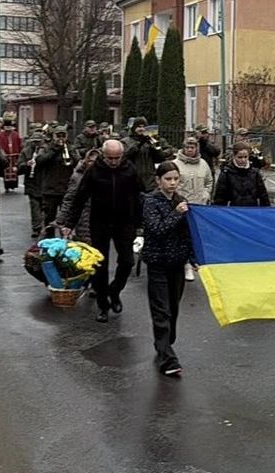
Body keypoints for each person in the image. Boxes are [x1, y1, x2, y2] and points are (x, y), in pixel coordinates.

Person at [56, 139, 143, 323]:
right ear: (104, 155)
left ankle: (115, 291)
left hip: (124, 222)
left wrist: (140, 223)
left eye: (117, 158)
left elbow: (139, 196)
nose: (113, 162)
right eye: (110, 158)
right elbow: (79, 198)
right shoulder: (94, 170)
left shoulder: (129, 169)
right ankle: (103, 304)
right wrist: (69, 224)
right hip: (100, 222)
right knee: (99, 265)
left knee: (127, 261)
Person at [138, 161, 193, 377]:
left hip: (177, 263)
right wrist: (177, 214)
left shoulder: (181, 201)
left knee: (173, 309)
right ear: (159, 181)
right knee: (161, 311)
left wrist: (193, 257)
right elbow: (157, 229)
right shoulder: (151, 201)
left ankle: (165, 343)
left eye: (176, 179)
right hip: (158, 263)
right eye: (168, 179)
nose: (172, 183)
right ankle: (167, 359)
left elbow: (188, 234)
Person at [172, 135, 215, 281]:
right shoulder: (175, 164)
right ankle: (186, 266)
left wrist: (206, 193)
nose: (190, 150)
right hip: (183, 206)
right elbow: (172, 185)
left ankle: (195, 262)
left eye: (193, 147)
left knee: (195, 237)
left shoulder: (203, 164)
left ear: (197, 148)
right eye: (187, 147)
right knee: (183, 237)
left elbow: (209, 181)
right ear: (183, 148)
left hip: (199, 207)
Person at [27, 125, 73, 239]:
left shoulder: (70, 148)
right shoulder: (46, 147)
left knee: (66, 219)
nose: (61, 138)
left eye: (63, 135)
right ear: (53, 136)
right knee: (49, 219)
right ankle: (49, 241)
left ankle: (65, 242)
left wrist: (69, 153)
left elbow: (76, 162)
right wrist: (55, 149)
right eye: (58, 136)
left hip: (66, 189)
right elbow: (40, 160)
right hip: (50, 190)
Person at [123, 118, 173, 190]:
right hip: (133, 179)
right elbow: (125, 155)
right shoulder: (126, 141)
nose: (142, 129)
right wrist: (139, 144)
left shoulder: (152, 140)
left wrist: (154, 146)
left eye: (144, 127)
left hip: (150, 181)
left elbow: (162, 155)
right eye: (139, 127)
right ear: (134, 128)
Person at [0, 117, 24, 192]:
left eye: (9, 127)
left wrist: (19, 152)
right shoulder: (0, 135)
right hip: (5, 156)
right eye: (6, 127)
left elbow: (19, 144)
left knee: (14, 170)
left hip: (14, 156)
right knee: (5, 170)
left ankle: (13, 185)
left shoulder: (15, 134)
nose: (8, 128)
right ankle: (7, 186)